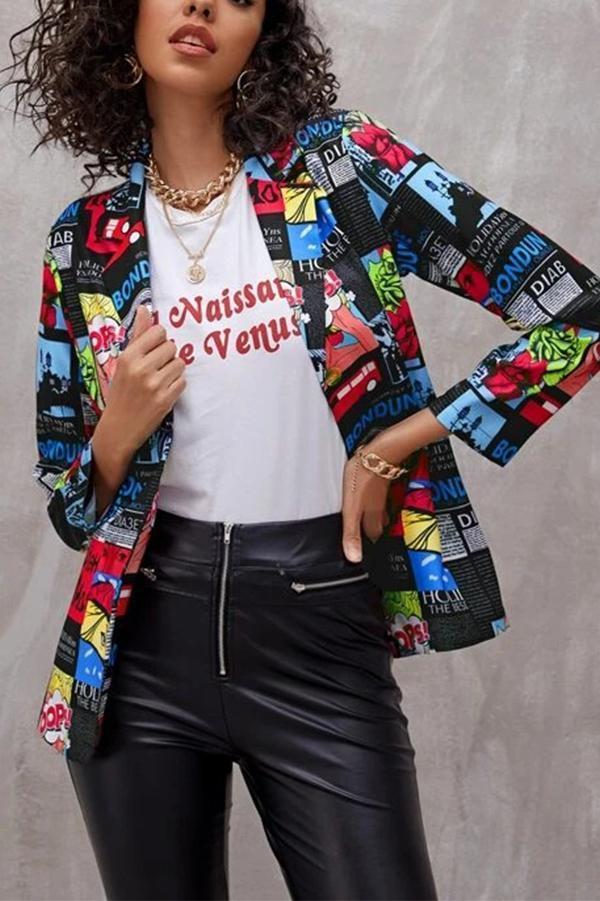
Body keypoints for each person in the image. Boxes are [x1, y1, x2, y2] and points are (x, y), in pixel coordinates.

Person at [6, 0, 599, 899]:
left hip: (318, 624)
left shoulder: (343, 169)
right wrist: (115, 433)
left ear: (265, 37)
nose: (202, 5)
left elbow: (577, 313)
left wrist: (399, 441)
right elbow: (70, 504)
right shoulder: (84, 240)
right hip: (138, 647)